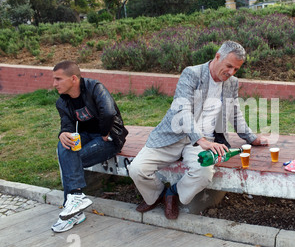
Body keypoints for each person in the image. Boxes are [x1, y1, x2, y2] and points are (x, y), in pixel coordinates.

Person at [128, 41, 267, 220]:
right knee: (137, 169)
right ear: (217, 57)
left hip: (204, 141)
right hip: (175, 135)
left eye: (236, 69)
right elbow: (182, 109)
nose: (231, 72)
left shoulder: (232, 83)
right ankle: (156, 195)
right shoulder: (192, 74)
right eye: (229, 66)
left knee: (203, 174)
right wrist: (200, 138)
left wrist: (252, 138)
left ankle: (173, 192)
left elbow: (234, 112)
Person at [51, 61, 128, 233]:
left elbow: (108, 112)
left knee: (70, 160)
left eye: (58, 79)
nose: (54, 84)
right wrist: (63, 133)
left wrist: (104, 132)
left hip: (109, 137)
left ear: (73, 78)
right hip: (86, 136)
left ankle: (72, 211)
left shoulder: (94, 87)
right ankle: (76, 199)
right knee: (64, 145)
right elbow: (67, 125)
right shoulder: (62, 102)